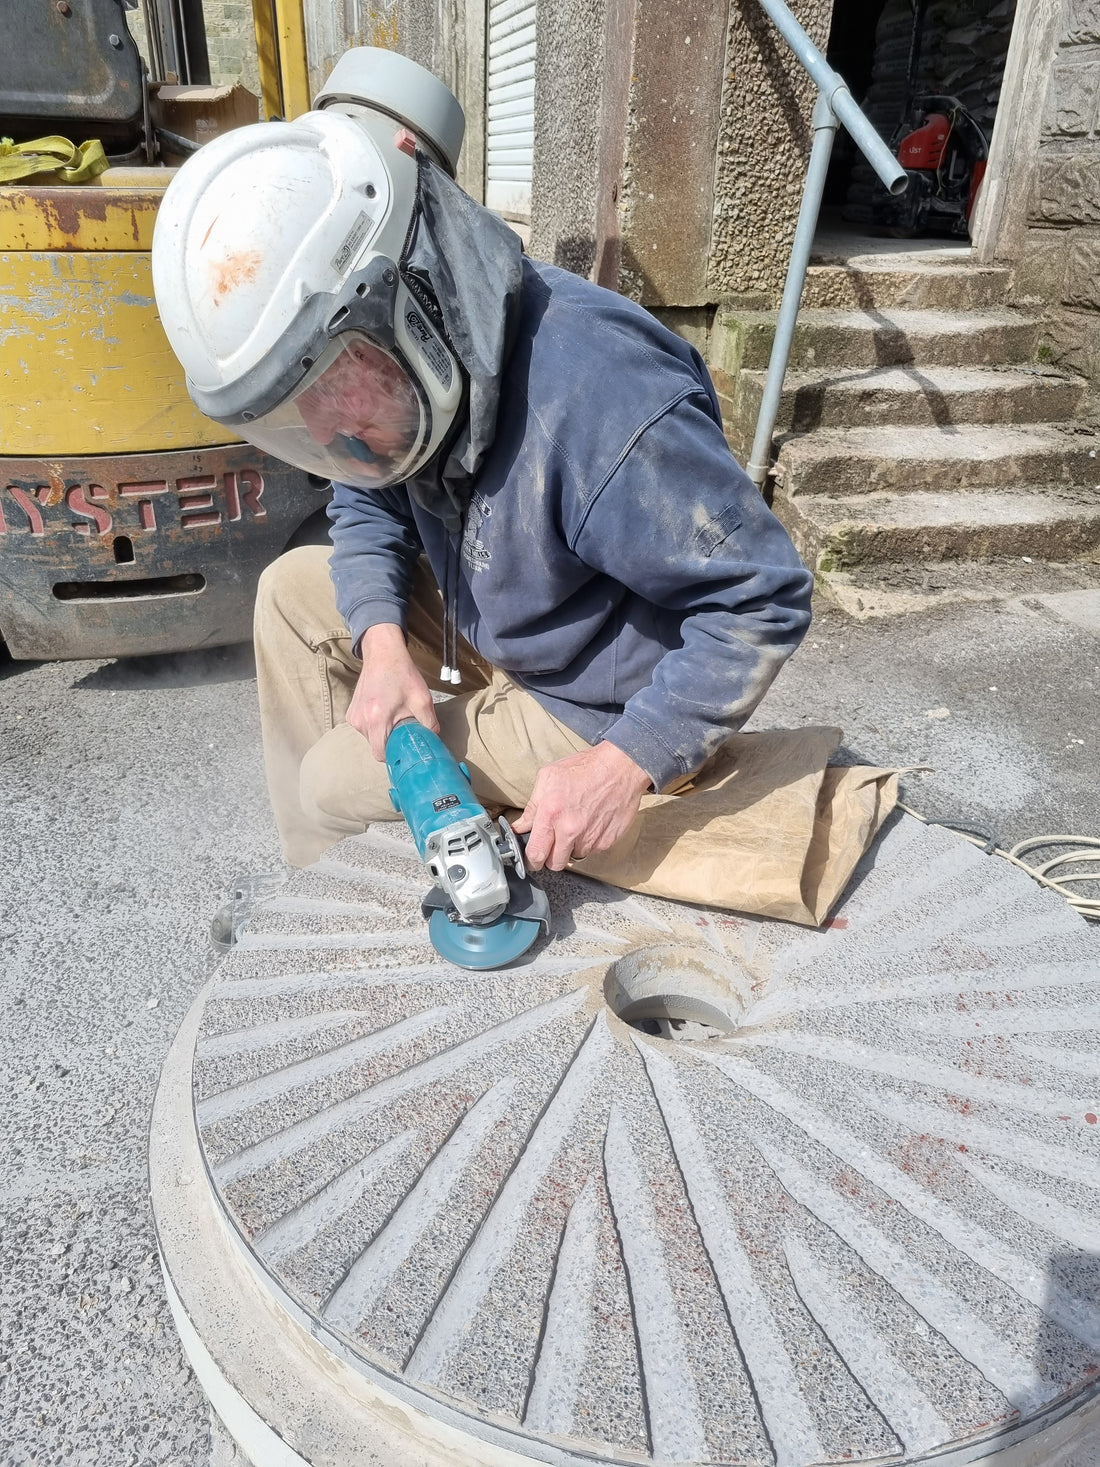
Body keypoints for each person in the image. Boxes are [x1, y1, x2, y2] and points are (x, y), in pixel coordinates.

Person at [152, 48, 814, 888]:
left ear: (410, 299)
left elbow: (763, 592)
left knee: (330, 778)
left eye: (334, 394)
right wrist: (385, 648)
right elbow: (368, 491)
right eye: (301, 413)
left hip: (595, 698)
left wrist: (623, 764)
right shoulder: (412, 368)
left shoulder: (600, 403)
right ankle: (326, 886)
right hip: (496, 626)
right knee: (289, 591)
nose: (331, 432)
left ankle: (381, 880)